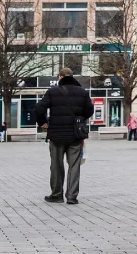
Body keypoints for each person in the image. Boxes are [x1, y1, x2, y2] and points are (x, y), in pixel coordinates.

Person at [34, 67, 92, 205]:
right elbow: (89, 110)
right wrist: (80, 119)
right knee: (74, 166)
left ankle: (56, 195)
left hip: (56, 135)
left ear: (60, 77)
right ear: (72, 77)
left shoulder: (53, 91)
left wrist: (42, 122)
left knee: (56, 165)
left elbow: (38, 108)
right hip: (75, 136)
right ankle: (72, 196)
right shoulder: (82, 92)